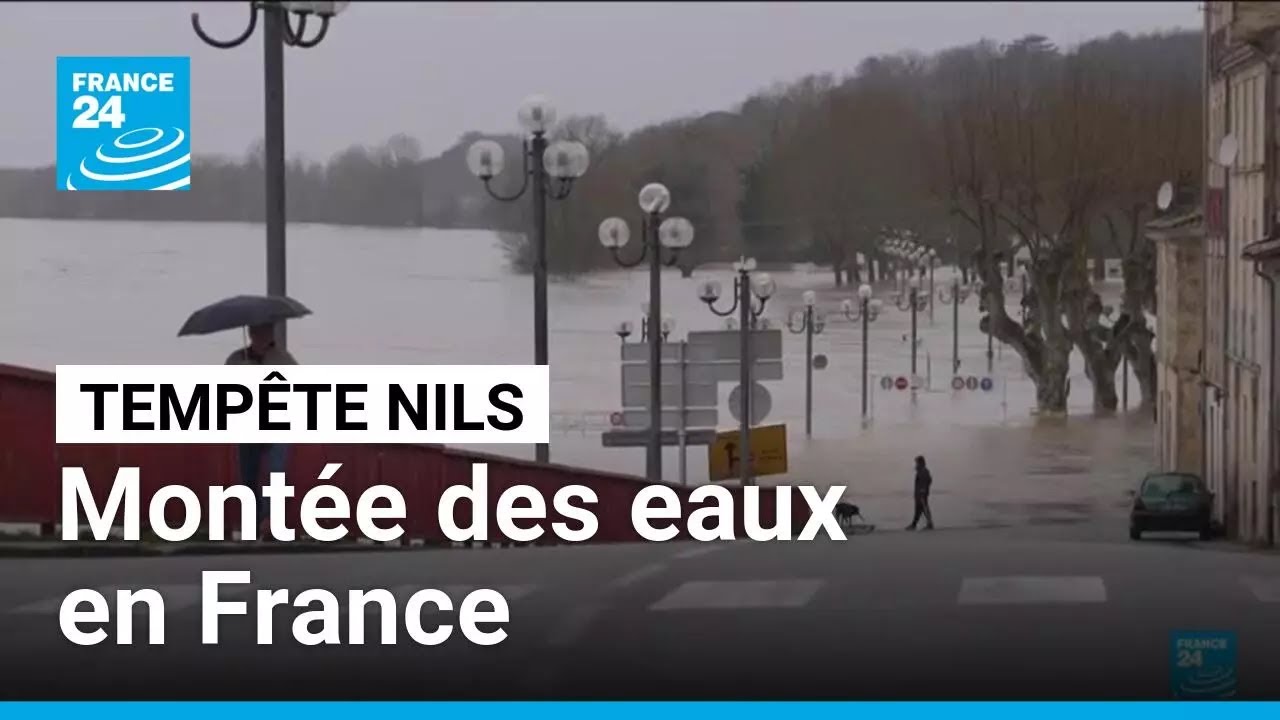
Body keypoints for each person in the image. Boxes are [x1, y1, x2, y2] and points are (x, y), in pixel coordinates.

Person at [226, 323, 297, 538]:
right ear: (250, 333)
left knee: (276, 475)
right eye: (256, 331)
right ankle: (253, 522)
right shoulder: (237, 359)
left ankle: (270, 521)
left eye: (265, 331)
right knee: (248, 476)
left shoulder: (283, 359)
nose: (260, 335)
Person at [906, 455, 934, 531]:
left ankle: (929, 524)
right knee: (918, 510)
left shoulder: (924, 471)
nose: (916, 464)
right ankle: (914, 525)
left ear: (920, 462)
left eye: (917, 462)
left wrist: (923, 491)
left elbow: (927, 481)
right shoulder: (921, 470)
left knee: (924, 509)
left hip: (922, 494)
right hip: (919, 494)